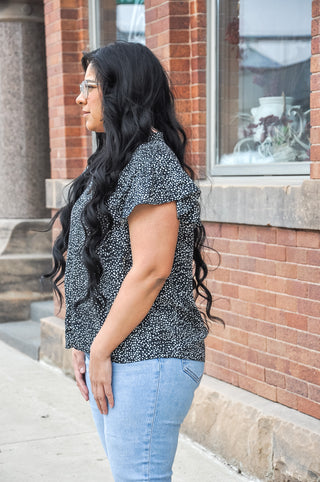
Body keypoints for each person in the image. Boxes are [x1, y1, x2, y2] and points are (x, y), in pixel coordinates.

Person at [45, 41, 221, 481]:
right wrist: (83, 343)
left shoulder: (150, 162)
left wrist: (99, 347)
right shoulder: (115, 163)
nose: (79, 97)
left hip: (151, 356)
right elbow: (97, 263)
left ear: (121, 92)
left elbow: (151, 270)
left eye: (89, 87)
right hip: (120, 354)